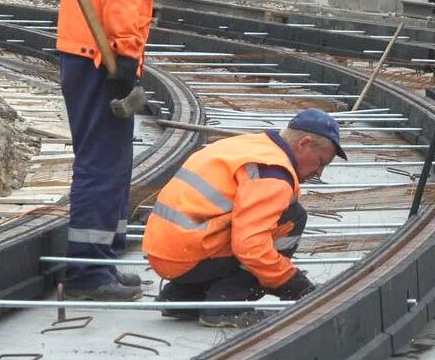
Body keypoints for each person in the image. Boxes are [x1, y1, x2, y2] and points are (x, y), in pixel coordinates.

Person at [55, 0, 191, 301]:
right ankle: (88, 275)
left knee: (112, 161)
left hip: (83, 49)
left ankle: (104, 262)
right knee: (102, 164)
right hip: (101, 56)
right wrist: (127, 56)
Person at [142, 108, 347, 327]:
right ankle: (226, 306)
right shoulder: (272, 173)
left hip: (165, 252)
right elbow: (251, 247)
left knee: (247, 224)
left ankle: (183, 295)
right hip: (190, 256)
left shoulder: (249, 146)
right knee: (292, 218)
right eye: (321, 162)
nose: (319, 173)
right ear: (304, 143)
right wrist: (291, 282)